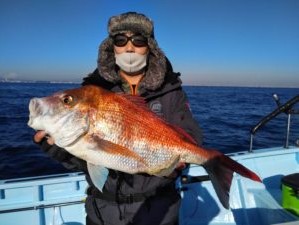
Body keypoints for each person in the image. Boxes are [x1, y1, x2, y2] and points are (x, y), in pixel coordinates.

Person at [34, 12, 203, 225]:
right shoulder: (93, 91)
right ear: (111, 46)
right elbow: (90, 159)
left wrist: (172, 167)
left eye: (138, 40)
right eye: (120, 40)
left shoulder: (171, 90)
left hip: (160, 212)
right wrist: (64, 153)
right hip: (103, 213)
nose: (129, 47)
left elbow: (192, 138)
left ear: (150, 46)